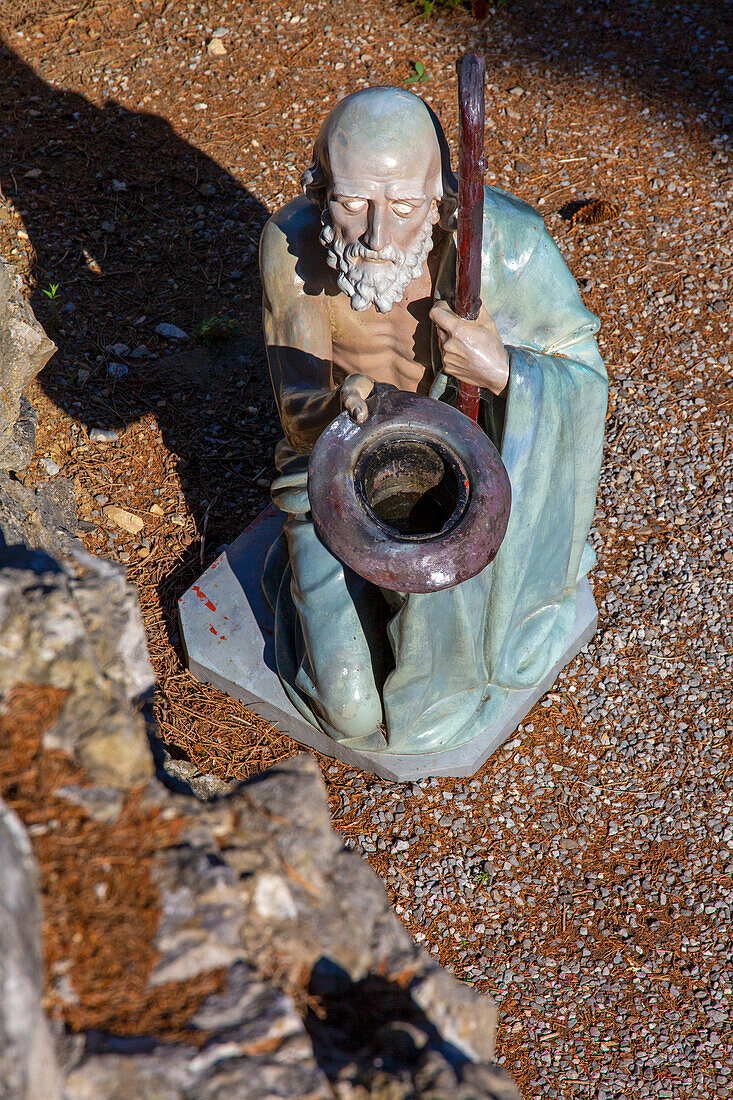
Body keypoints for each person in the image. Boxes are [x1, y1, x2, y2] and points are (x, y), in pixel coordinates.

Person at [259, 86, 607, 753]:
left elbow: (585, 380)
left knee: (439, 681)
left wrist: (505, 372)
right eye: (352, 201)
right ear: (318, 187)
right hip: (339, 465)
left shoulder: (506, 247)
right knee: (353, 715)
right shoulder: (292, 247)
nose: (377, 234)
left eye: (405, 205)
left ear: (444, 196)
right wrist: (342, 406)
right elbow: (300, 416)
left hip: (468, 463)